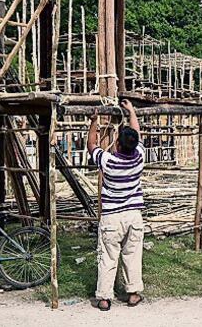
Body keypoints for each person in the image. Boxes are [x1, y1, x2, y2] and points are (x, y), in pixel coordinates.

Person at [88, 100, 145, 311]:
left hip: (112, 217)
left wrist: (94, 122)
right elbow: (136, 133)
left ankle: (104, 298)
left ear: (118, 145)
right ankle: (133, 293)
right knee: (132, 255)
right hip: (133, 216)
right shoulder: (139, 158)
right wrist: (132, 112)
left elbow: (92, 145)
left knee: (107, 257)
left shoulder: (108, 162)